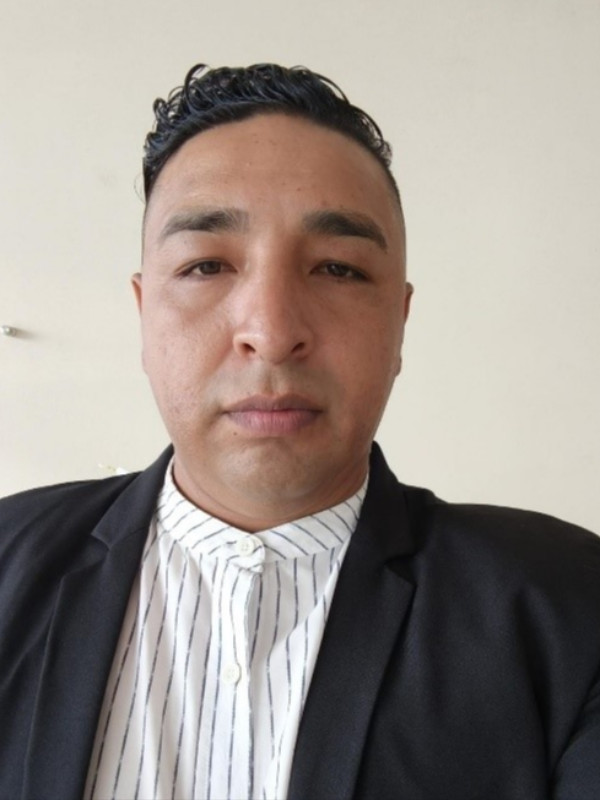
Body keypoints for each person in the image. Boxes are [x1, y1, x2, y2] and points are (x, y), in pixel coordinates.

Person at [0, 63, 599, 800]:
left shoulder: (566, 608)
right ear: (144, 312)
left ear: (399, 323)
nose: (273, 330)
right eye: (207, 265)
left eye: (339, 269)